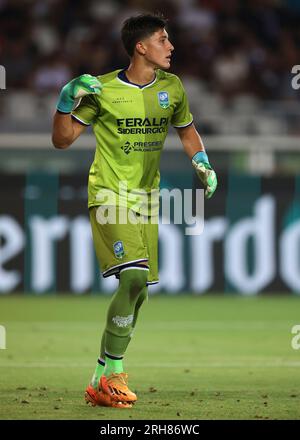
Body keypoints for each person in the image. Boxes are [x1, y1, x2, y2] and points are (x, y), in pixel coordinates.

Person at [52, 13, 217, 409]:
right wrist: (64, 99)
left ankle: (100, 376)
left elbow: (186, 129)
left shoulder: (173, 87)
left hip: (147, 199)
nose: (171, 46)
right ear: (141, 47)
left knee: (138, 290)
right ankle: (116, 370)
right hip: (110, 194)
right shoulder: (102, 88)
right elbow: (62, 141)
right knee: (135, 276)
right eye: (163, 39)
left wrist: (203, 162)